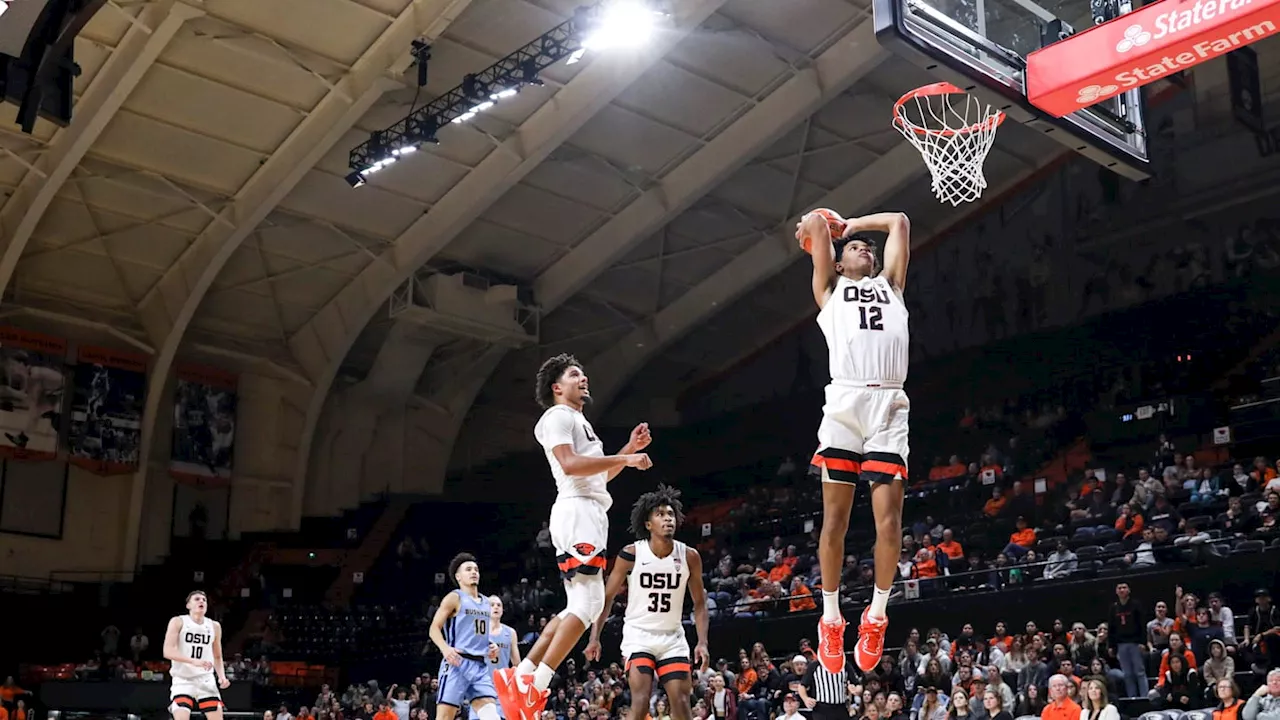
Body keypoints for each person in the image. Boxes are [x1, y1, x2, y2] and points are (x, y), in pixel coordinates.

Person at [495, 353, 653, 720]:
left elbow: (596, 478)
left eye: (582, 373)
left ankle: (522, 675)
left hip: (589, 510)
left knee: (579, 606)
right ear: (557, 387)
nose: (583, 378)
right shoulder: (558, 416)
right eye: (574, 374)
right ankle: (535, 684)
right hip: (577, 511)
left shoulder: (578, 420)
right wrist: (624, 459)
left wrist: (627, 451)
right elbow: (569, 465)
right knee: (587, 605)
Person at [795, 209, 911, 673]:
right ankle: (830, 619)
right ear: (839, 264)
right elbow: (815, 225)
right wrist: (828, 230)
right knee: (834, 523)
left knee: (888, 523)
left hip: (888, 408)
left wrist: (855, 224)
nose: (868, 248)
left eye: (870, 247)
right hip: (844, 404)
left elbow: (900, 222)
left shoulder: (892, 286)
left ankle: (876, 616)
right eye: (857, 247)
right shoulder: (830, 290)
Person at [586, 485, 709, 720]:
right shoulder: (631, 554)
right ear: (648, 524)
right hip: (639, 635)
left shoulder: (689, 556)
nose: (668, 519)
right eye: (661, 514)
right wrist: (595, 637)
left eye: (670, 514)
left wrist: (702, 642)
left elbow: (700, 604)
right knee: (641, 701)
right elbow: (608, 597)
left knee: (682, 705)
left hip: (672, 637)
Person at [429, 553, 502, 720]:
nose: (474, 572)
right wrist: (445, 649)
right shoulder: (454, 597)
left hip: (480, 666)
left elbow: (475, 632)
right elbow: (434, 628)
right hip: (457, 663)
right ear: (458, 576)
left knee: (492, 716)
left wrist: (491, 645)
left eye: (476, 569)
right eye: (468, 569)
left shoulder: (485, 602)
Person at [163, 590, 230, 720]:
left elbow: (217, 656)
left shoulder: (214, 626)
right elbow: (168, 651)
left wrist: (222, 676)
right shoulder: (178, 621)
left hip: (206, 679)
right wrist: (192, 661)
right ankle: (175, 705)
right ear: (188, 605)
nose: (201, 601)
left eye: (204, 600)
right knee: (182, 715)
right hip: (183, 678)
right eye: (197, 599)